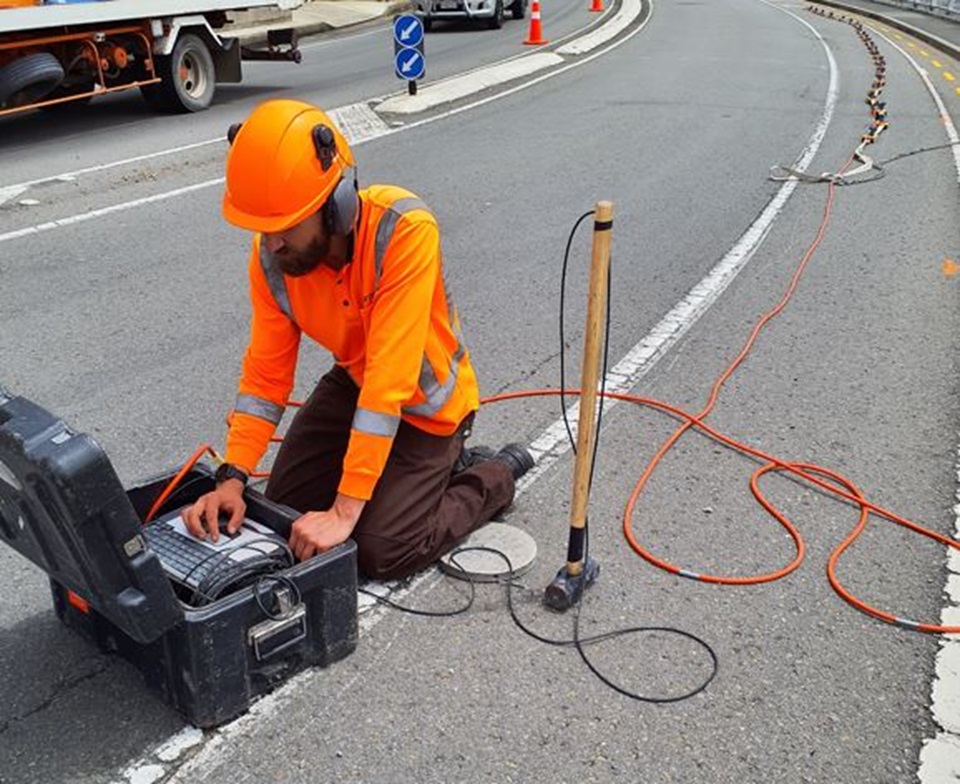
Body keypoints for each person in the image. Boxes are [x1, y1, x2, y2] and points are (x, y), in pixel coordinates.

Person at [183, 99, 533, 580]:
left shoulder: (403, 231)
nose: (272, 243)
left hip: (428, 410)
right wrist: (233, 477)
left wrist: (346, 511)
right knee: (283, 513)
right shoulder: (273, 262)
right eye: (263, 229)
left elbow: (391, 380)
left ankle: (490, 474)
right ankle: (407, 486)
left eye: (284, 226)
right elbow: (265, 375)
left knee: (380, 548)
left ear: (337, 206)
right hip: (355, 383)